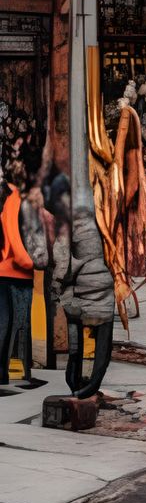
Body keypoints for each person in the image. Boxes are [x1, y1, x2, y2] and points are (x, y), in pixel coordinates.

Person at [49, 193, 116, 402]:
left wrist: (56, 286)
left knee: (75, 340)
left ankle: (74, 383)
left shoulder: (70, 221)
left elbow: (61, 261)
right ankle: (91, 385)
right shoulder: (109, 217)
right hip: (104, 290)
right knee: (103, 339)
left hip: (76, 293)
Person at [0, 166, 39, 394]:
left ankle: (6, 372)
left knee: (9, 325)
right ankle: (7, 373)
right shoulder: (15, 195)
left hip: (9, 271)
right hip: (16, 272)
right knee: (13, 326)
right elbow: (14, 234)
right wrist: (29, 263)